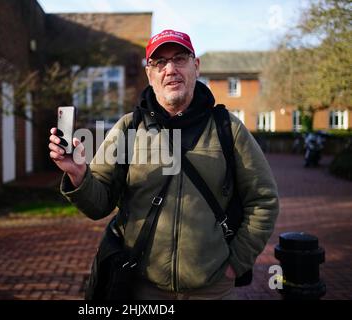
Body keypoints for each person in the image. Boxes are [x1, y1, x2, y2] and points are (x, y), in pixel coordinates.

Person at [49, 29, 279, 300]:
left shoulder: (228, 128)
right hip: (143, 287)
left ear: (196, 67)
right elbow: (99, 205)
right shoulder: (128, 129)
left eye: (180, 59)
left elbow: (263, 200)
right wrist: (79, 176)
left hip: (213, 289)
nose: (170, 69)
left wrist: (236, 263)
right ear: (150, 73)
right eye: (159, 63)